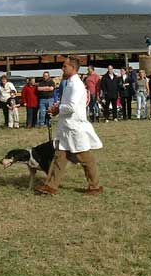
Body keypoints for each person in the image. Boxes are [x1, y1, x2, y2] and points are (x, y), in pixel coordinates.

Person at [34, 57, 103, 196]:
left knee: (85, 158)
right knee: (59, 157)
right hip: (67, 128)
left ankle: (95, 187)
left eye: (65, 66)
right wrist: (58, 108)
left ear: (73, 68)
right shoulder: (69, 83)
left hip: (75, 128)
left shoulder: (76, 85)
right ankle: (50, 186)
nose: (62, 68)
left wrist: (57, 109)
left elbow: (71, 107)